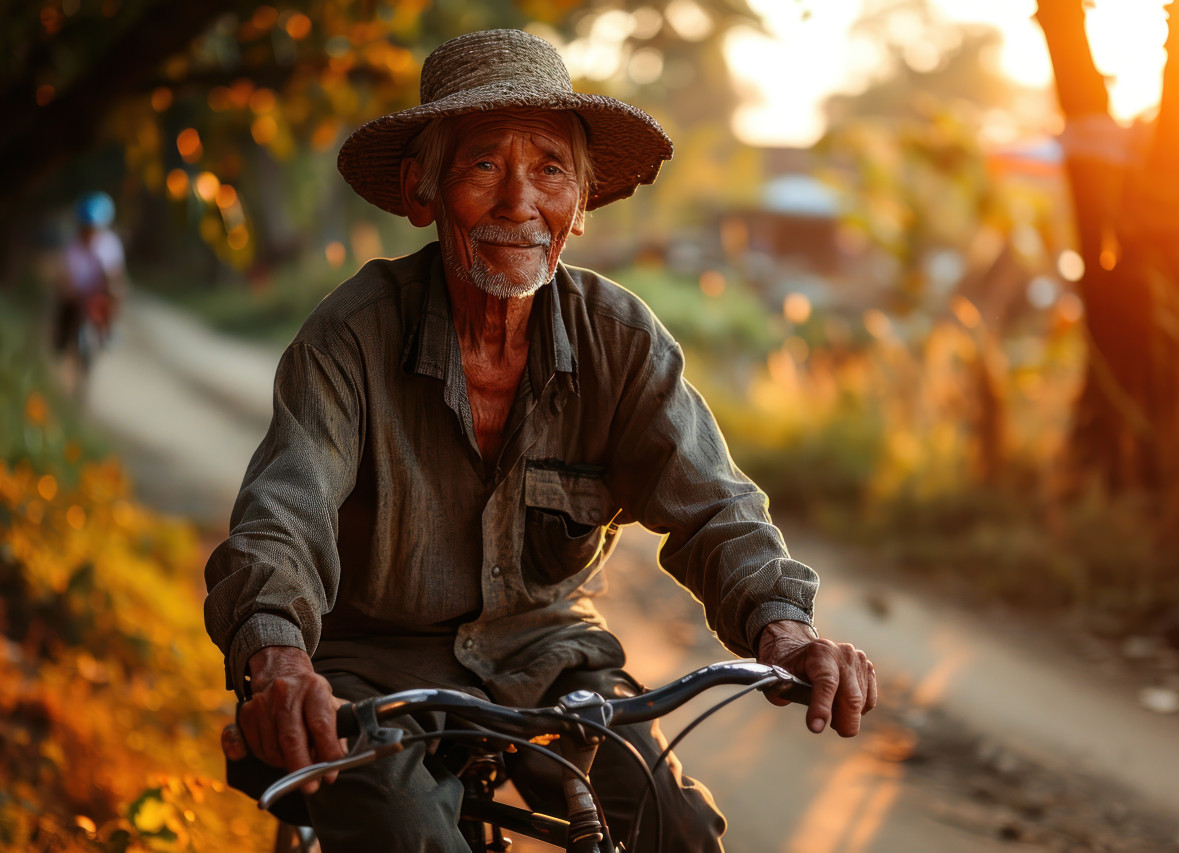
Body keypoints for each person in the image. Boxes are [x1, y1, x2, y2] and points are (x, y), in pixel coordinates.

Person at [205, 29, 877, 852]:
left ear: (582, 203)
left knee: (682, 832)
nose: (520, 203)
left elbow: (716, 508)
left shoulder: (621, 340)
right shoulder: (352, 335)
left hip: (549, 658)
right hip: (370, 665)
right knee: (410, 836)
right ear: (422, 189)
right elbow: (281, 518)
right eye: (484, 164)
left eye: (551, 169)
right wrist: (276, 654)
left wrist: (784, 626)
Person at [53, 192, 125, 381]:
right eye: (86, 228)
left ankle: (109, 329)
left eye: (92, 228)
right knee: (63, 306)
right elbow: (65, 274)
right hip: (76, 294)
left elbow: (114, 273)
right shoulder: (72, 246)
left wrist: (110, 285)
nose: (89, 233)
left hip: (98, 293)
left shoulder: (109, 244)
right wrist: (66, 288)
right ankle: (60, 343)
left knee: (119, 291)